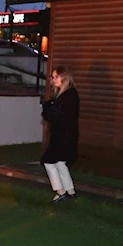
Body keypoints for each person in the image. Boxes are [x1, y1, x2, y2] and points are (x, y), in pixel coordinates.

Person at [41, 66, 80, 203]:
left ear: (63, 77)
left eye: (56, 77)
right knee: (59, 162)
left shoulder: (67, 96)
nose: (53, 80)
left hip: (63, 136)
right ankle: (70, 191)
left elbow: (52, 115)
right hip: (63, 135)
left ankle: (60, 191)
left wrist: (47, 106)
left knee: (49, 161)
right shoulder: (67, 94)